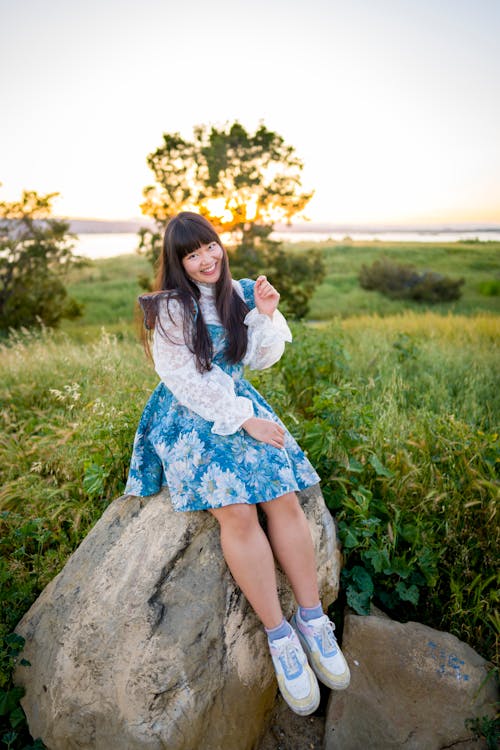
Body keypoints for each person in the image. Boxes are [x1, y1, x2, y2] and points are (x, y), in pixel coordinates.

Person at [125, 211, 350, 715]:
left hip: (238, 400)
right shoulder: (169, 308)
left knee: (281, 493)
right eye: (191, 253)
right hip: (190, 412)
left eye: (210, 247)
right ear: (177, 261)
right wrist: (243, 420)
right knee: (238, 508)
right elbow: (185, 380)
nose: (206, 260)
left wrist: (265, 314)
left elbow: (262, 359)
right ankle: (279, 637)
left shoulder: (243, 291)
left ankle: (312, 621)